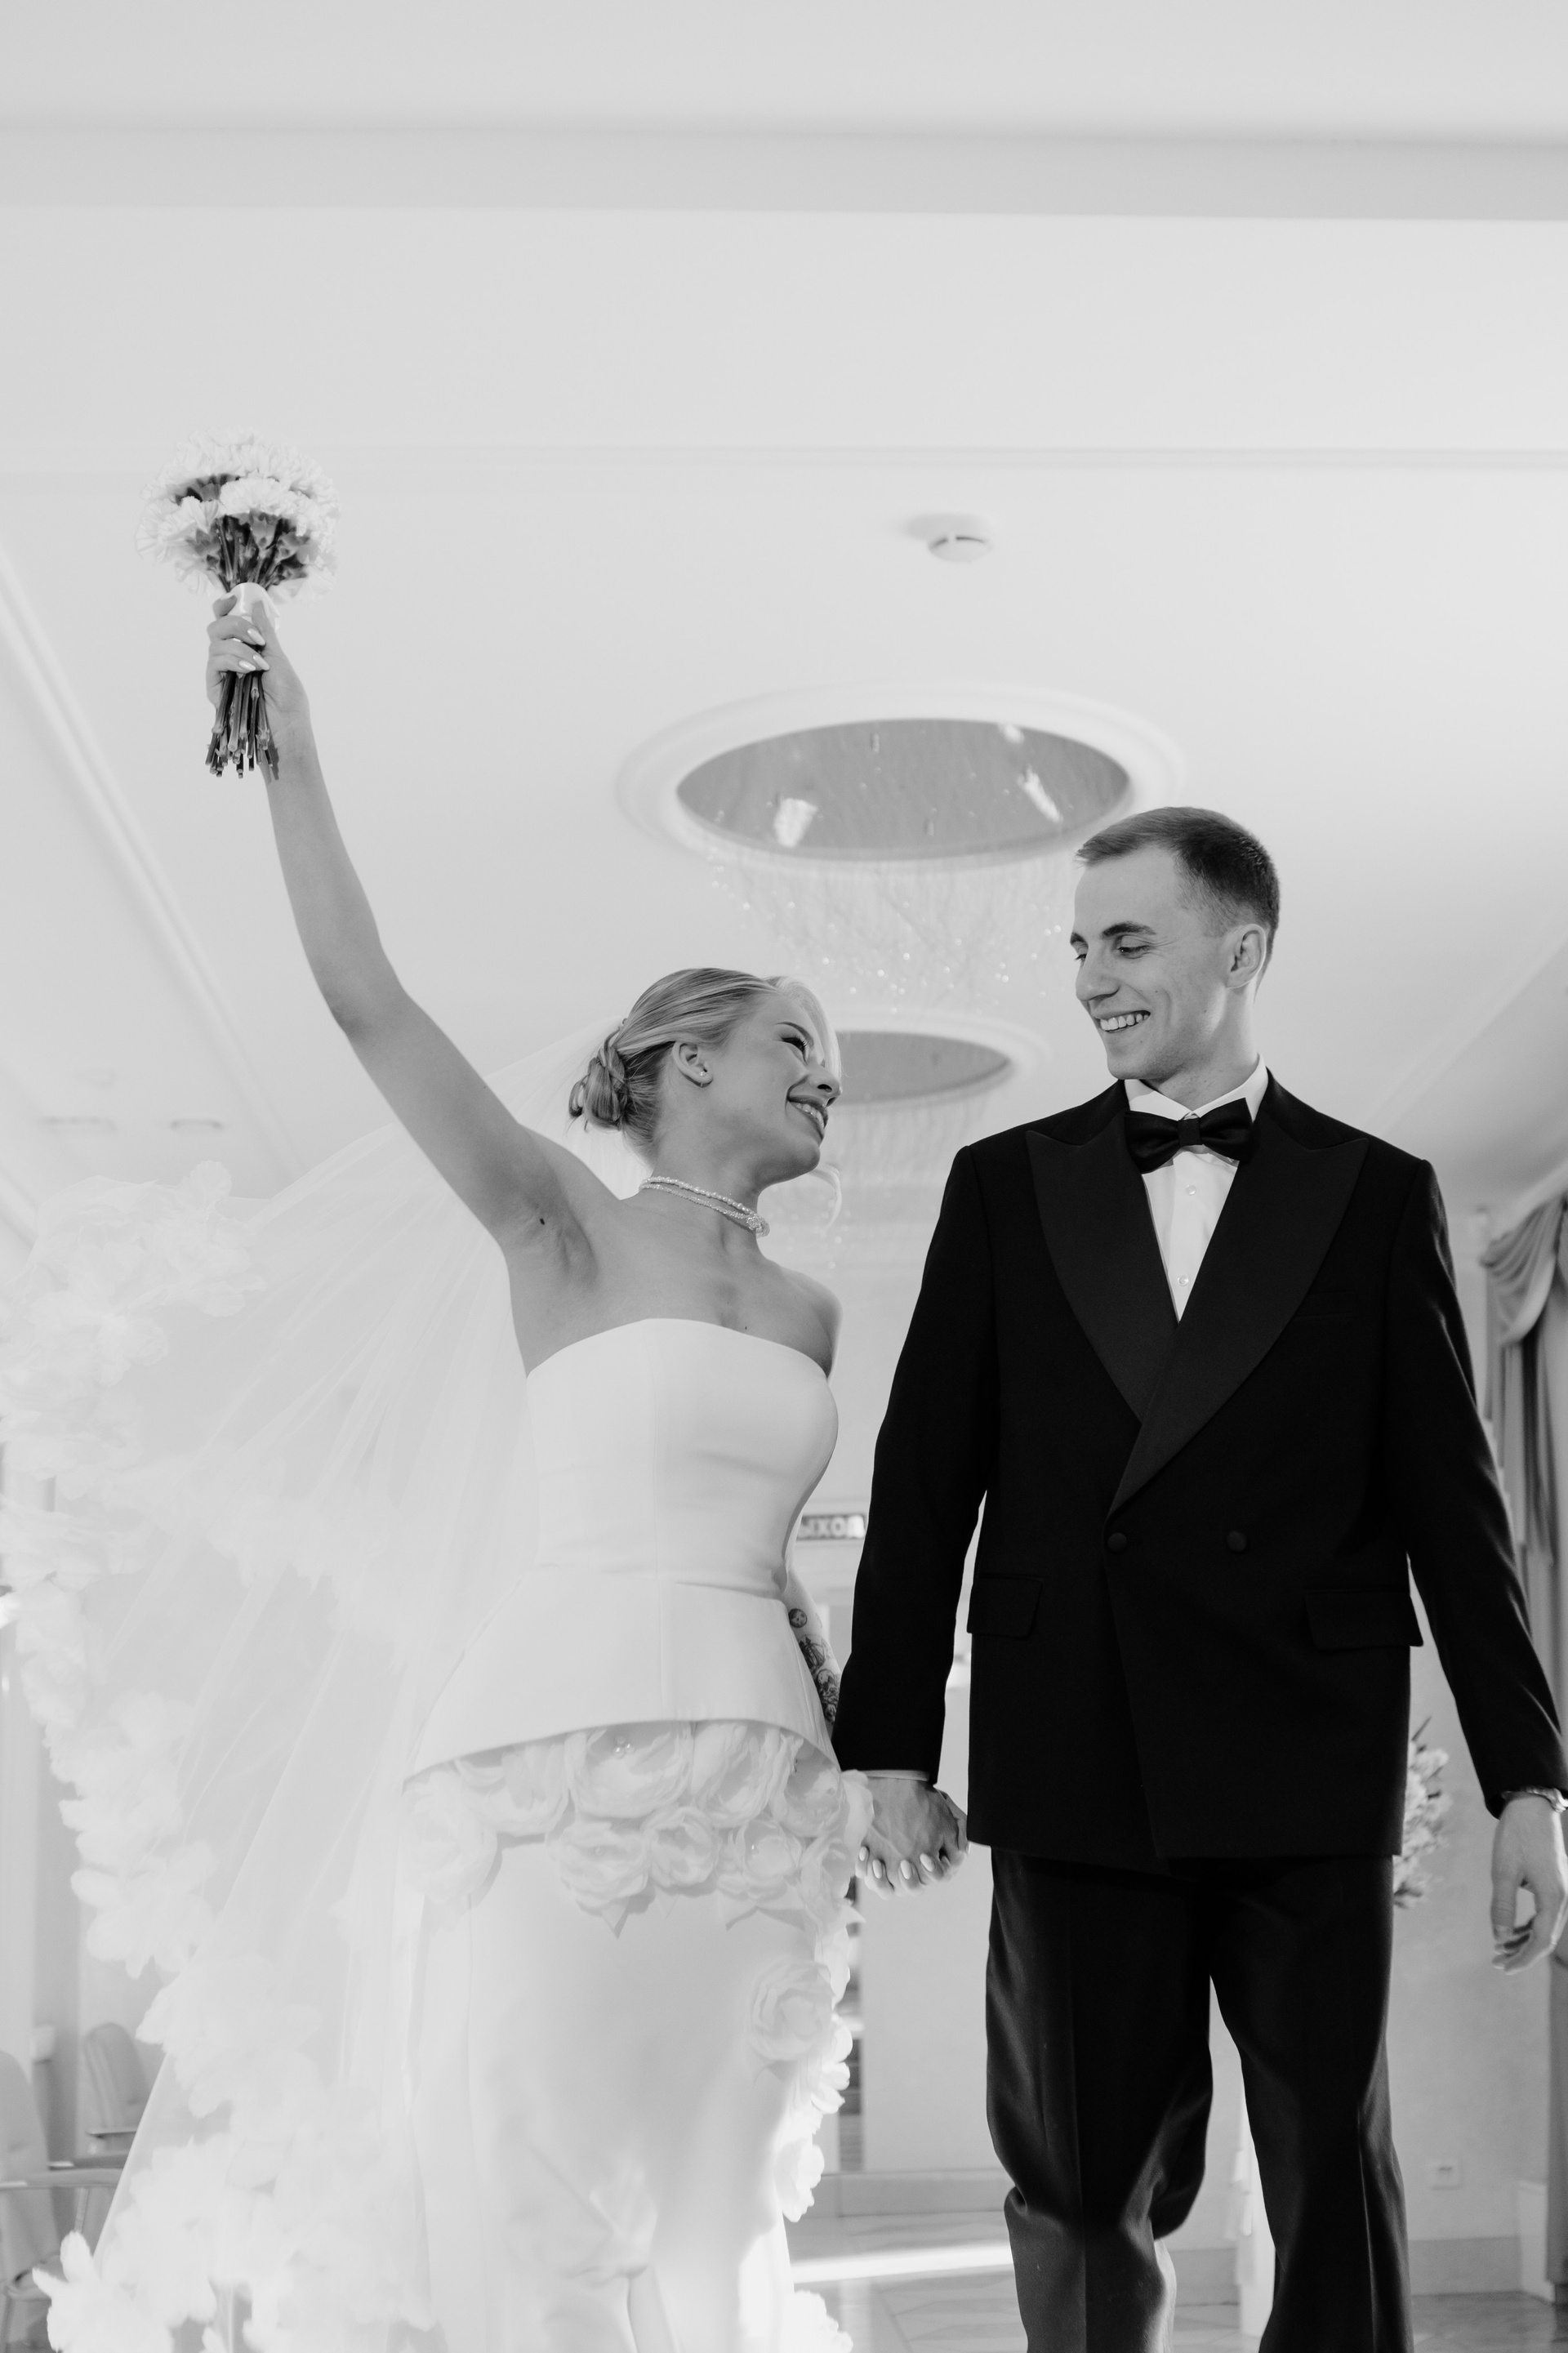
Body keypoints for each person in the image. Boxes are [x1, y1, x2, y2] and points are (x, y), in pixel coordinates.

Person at [2, 594, 967, 2353]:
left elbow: (774, 1566)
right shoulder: (560, 1224)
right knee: (539, 2186)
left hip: (763, 1782)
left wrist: (871, 1753)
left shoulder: (814, 1312)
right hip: (553, 1771)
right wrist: (293, 755)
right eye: (796, 1046)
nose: (828, 1078)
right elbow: (366, 1002)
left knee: (725, 2196)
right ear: (690, 1060)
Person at [834, 805, 1568, 2353]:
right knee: (1080, 2180)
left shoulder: (1375, 1192)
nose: (1090, 980)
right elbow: (924, 1478)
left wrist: (1530, 1780)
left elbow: (1457, 1510)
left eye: (1127, 940)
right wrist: (889, 1745)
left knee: (1331, 2176)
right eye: (1079, 946)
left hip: (1305, 1752)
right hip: (1072, 1747)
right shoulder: (1004, 1184)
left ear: (1243, 950)